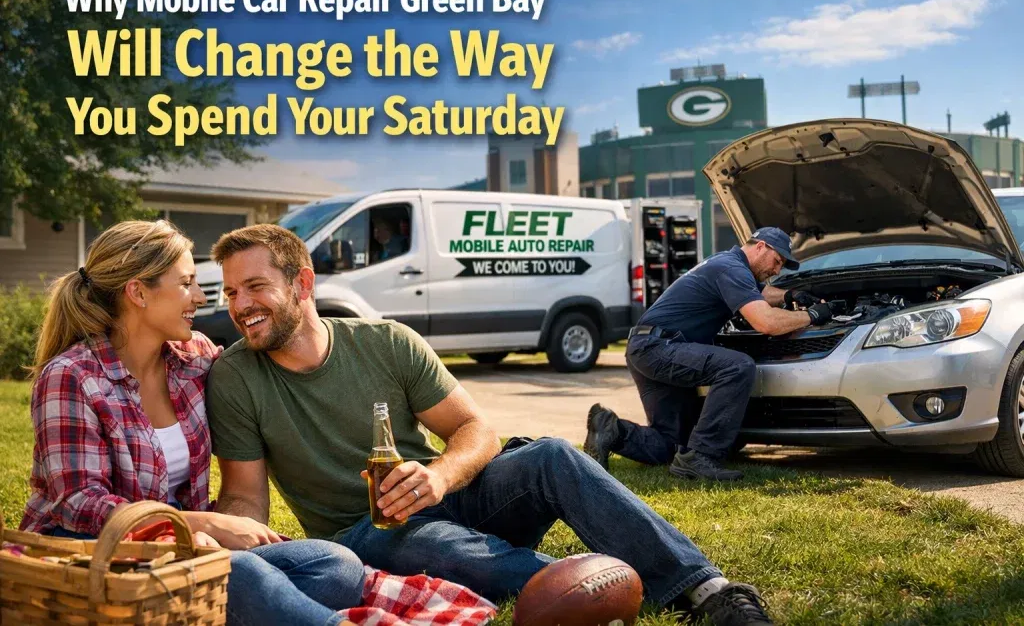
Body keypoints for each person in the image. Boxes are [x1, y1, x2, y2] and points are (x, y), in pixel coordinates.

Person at [203, 223, 775, 626]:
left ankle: (706, 590)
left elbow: (476, 431)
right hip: (365, 533)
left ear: (302, 284)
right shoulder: (236, 376)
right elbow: (246, 497)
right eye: (230, 292)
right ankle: (594, 589)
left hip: (448, 495)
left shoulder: (386, 342)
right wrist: (228, 536)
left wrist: (440, 477)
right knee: (443, 548)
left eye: (255, 287)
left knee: (552, 455)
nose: (240, 304)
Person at [19, 220, 367, 626]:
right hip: (88, 552)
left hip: (184, 549)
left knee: (334, 564)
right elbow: (80, 505)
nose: (201, 297)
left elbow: (262, 374)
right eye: (186, 283)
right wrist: (198, 523)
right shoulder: (72, 376)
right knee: (245, 574)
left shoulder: (194, 357)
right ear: (137, 292)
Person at [585, 227, 829, 482]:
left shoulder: (727, 264)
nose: (777, 271)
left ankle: (610, 428)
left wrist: (791, 295)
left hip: (647, 345)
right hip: (660, 348)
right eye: (777, 261)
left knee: (670, 444)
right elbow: (765, 323)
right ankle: (702, 457)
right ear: (760, 247)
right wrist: (811, 316)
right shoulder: (731, 268)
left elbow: (761, 293)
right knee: (736, 366)